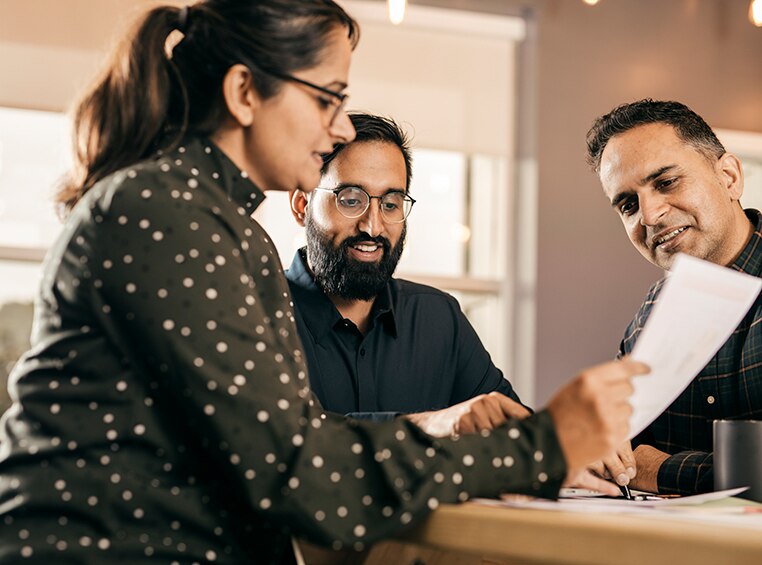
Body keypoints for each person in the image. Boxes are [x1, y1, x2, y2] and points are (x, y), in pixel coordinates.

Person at [0, 1, 644, 563]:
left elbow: (295, 446)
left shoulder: (220, 224)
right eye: (326, 99)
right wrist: (541, 447)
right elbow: (298, 471)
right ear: (245, 92)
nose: (340, 127)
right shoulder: (166, 214)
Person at [285, 112, 526, 434]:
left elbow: (515, 434)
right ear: (302, 205)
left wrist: (569, 449)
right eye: (351, 199)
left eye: (390, 204)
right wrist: (428, 426)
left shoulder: (438, 317)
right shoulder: (257, 314)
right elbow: (279, 441)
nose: (372, 226)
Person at [586, 98, 761, 495]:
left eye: (665, 183)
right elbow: (613, 448)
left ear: (730, 177)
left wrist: (659, 470)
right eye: (628, 205)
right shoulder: (647, 319)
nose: (649, 215)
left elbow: (641, 464)